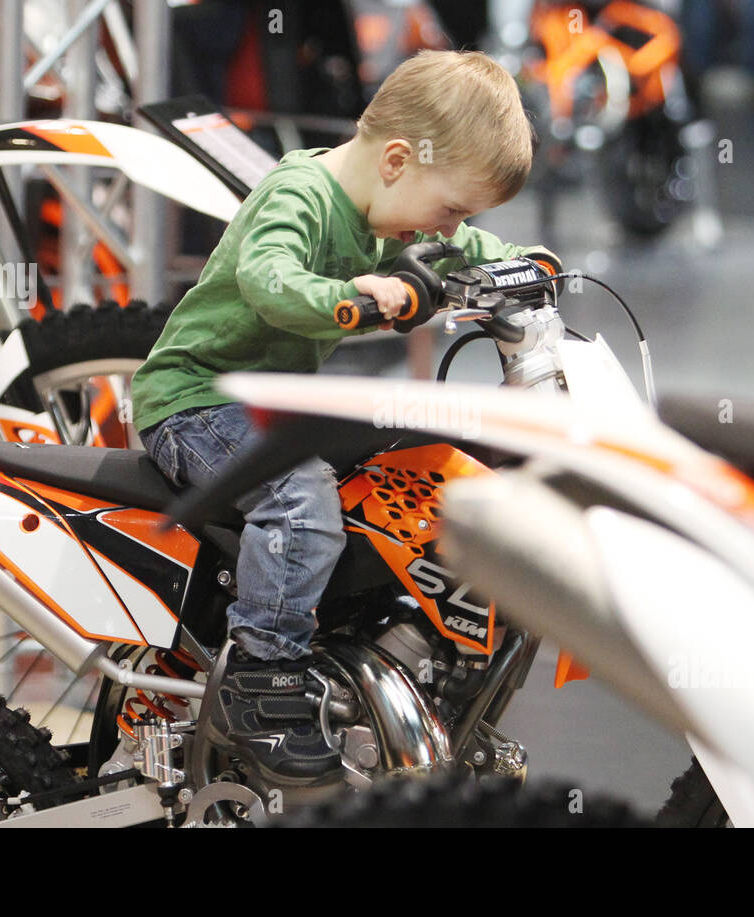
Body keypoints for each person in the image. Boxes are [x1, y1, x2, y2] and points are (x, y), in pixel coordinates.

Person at [130, 50, 547, 785]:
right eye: (450, 206)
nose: (449, 226)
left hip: (272, 406)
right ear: (397, 159)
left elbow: (460, 250)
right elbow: (269, 279)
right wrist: (352, 297)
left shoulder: (388, 210)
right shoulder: (300, 192)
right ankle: (262, 677)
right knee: (300, 501)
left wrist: (523, 265)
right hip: (195, 399)